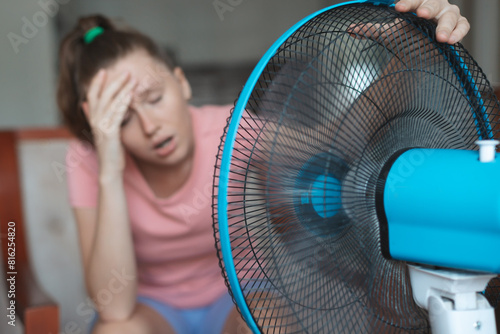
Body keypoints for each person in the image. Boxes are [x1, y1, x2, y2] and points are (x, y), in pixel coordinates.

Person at [58, 1, 469, 333]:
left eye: (153, 97)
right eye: (123, 119)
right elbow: (113, 309)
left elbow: (336, 139)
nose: (150, 126)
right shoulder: (89, 162)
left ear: (180, 82)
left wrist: (409, 47)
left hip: (238, 293)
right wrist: (109, 167)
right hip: (152, 310)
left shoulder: (228, 129)